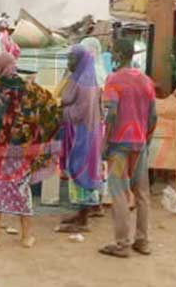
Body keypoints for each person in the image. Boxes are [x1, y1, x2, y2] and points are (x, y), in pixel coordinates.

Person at [0, 51, 60, 249]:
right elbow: (52, 108)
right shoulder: (31, 89)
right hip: (22, 153)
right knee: (21, 190)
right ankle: (27, 237)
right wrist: (39, 138)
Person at [98, 38, 157, 258]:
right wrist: (146, 140)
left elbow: (111, 113)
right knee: (142, 193)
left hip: (118, 146)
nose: (112, 54)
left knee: (119, 191)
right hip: (139, 144)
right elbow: (153, 116)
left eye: (113, 51)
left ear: (119, 54)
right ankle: (142, 241)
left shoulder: (113, 80)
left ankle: (122, 243)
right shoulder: (146, 81)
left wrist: (105, 142)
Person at [56, 45, 104, 233]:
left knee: (81, 169)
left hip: (83, 133)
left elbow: (78, 112)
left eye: (72, 59)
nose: (69, 63)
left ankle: (83, 220)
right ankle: (80, 213)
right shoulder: (78, 79)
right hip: (79, 131)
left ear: (81, 61)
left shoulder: (85, 84)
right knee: (77, 169)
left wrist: (59, 110)